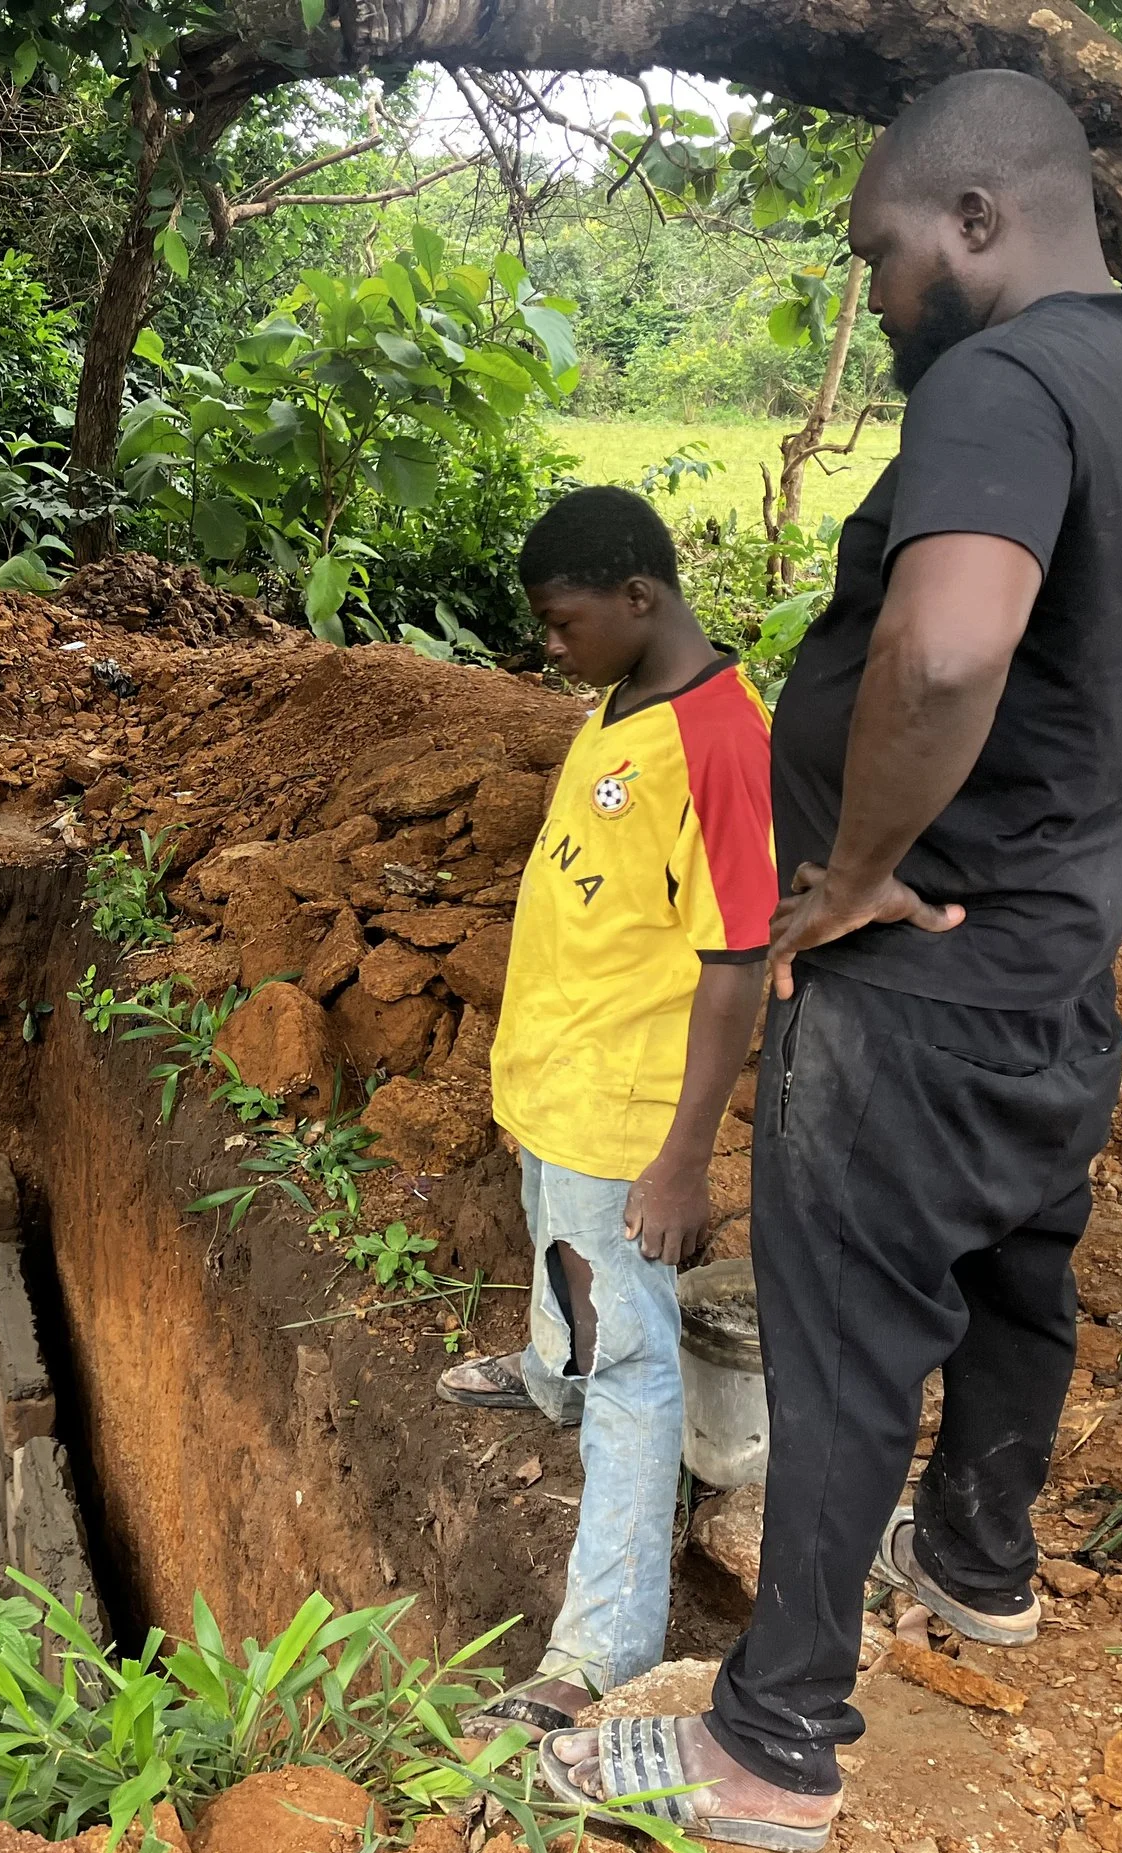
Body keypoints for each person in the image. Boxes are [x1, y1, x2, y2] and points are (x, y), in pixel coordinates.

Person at [540, 69, 1122, 1853]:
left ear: (976, 222)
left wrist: (856, 869)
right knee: (1022, 1261)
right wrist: (1084, 750)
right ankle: (981, 1566)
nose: (873, 295)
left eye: (878, 255)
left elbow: (941, 655)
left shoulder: (1003, 384)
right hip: (1054, 928)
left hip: (919, 965)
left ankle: (772, 1746)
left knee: (847, 1337)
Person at [439, 485, 775, 1734]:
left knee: (631, 1361)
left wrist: (684, 1159)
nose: (547, 644)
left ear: (640, 597)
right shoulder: (620, 698)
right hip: (556, 1083)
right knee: (556, 1258)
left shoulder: (723, 745)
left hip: (625, 1109)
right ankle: (542, 1375)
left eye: (559, 620)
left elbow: (736, 957)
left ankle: (596, 1654)